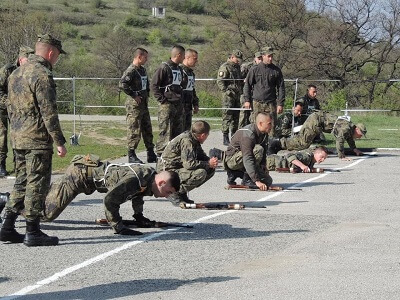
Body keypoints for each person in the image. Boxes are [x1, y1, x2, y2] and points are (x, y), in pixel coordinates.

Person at [0, 155, 180, 235]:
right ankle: (8, 201)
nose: (166, 196)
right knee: (46, 215)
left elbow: (137, 195)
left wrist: (139, 217)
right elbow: (110, 200)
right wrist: (118, 226)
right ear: (162, 182)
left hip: (86, 175)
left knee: (43, 197)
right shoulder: (136, 178)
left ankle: (14, 199)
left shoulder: (148, 177)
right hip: (79, 176)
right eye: (168, 192)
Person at [0, 34, 67, 247]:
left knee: (21, 181)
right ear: (51, 53)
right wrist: (59, 140)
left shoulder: (16, 73)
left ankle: (7, 227)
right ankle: (33, 231)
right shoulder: (42, 74)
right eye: (57, 56)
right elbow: (48, 111)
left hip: (18, 138)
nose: (56, 60)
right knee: (37, 184)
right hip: (37, 139)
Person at [157, 120, 218, 205]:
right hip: (168, 171)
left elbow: (200, 155)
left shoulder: (193, 138)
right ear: (203, 135)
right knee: (200, 173)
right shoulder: (187, 141)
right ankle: (173, 193)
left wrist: (210, 161)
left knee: (210, 170)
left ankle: (182, 193)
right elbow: (189, 164)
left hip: (177, 167)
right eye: (207, 135)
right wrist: (208, 164)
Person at [270, 111, 367, 160]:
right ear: (357, 129)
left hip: (318, 121)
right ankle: (277, 142)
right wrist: (342, 156)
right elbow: (340, 140)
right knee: (303, 143)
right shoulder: (346, 128)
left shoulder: (350, 128)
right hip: (316, 121)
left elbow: (349, 139)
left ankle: (280, 143)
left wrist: (354, 149)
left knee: (303, 142)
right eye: (361, 134)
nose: (360, 136)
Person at [0, 46, 34, 176]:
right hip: (2, 108)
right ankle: (1, 164)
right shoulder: (7, 70)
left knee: (18, 136)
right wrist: (8, 102)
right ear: (20, 59)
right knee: (2, 136)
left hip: (19, 110)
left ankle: (19, 164)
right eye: (27, 60)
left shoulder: (30, 71)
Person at [119, 47, 157, 164]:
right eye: (145, 57)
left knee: (147, 128)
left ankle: (150, 152)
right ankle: (131, 154)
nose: (146, 59)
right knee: (134, 129)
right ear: (139, 57)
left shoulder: (142, 70)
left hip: (144, 104)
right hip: (134, 106)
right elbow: (122, 83)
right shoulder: (131, 70)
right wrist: (134, 95)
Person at [220, 112, 273, 190]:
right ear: (261, 123)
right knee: (258, 149)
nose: (271, 126)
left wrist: (263, 165)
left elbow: (264, 150)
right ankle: (246, 179)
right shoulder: (248, 135)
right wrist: (256, 181)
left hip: (245, 159)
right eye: (269, 124)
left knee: (268, 181)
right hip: (232, 160)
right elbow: (248, 157)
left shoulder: (263, 133)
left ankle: (235, 174)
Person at [243, 47, 285, 137]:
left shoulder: (276, 70)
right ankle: (256, 147)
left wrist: (280, 104)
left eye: (272, 56)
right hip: (257, 102)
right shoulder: (254, 69)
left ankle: (270, 148)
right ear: (263, 56)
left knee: (271, 126)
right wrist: (247, 100)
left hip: (271, 103)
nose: (271, 58)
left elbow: (281, 87)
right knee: (256, 126)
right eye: (269, 56)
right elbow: (247, 85)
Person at [151, 45, 185, 156]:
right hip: (167, 104)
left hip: (178, 104)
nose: (184, 58)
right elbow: (154, 85)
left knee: (177, 131)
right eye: (183, 55)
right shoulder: (164, 68)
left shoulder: (179, 69)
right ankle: (160, 154)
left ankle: (174, 153)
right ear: (178, 55)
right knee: (165, 130)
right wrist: (162, 100)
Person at [217, 50, 243, 145]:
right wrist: (227, 91)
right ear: (232, 57)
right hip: (228, 96)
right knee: (227, 116)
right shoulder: (225, 67)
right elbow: (220, 81)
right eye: (237, 58)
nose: (238, 61)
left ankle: (234, 136)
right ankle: (225, 136)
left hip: (237, 95)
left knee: (236, 117)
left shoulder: (237, 68)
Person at [239, 51, 263, 129]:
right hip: (246, 93)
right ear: (255, 59)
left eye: (261, 58)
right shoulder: (247, 67)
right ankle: (241, 130)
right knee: (244, 113)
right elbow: (239, 79)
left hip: (256, 94)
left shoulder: (264, 68)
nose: (260, 60)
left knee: (254, 114)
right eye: (259, 58)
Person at [181, 49, 200, 131]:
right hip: (180, 106)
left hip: (188, 107)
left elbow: (192, 89)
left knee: (187, 130)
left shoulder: (191, 73)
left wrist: (195, 103)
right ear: (187, 57)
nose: (196, 61)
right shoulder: (180, 71)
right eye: (194, 58)